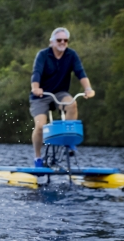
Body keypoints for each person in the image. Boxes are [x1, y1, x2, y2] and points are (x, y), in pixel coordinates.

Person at [30, 27, 95, 167]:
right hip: (41, 95)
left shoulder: (71, 55)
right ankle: (37, 157)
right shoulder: (43, 55)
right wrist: (35, 88)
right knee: (40, 126)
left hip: (60, 93)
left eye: (65, 40)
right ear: (52, 42)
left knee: (72, 104)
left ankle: (69, 142)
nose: (62, 42)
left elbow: (80, 73)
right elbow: (36, 73)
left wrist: (88, 89)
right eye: (59, 40)